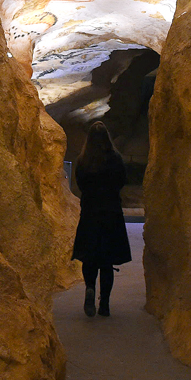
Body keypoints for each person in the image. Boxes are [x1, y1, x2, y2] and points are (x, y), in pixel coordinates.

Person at [70, 121, 132, 316]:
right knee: (106, 261)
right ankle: (104, 303)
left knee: (90, 258)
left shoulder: (83, 161)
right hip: (111, 214)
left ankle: (89, 288)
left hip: (90, 213)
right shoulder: (115, 159)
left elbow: (80, 183)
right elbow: (121, 181)